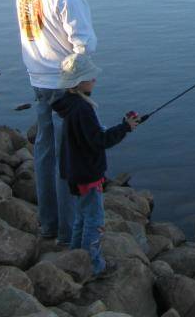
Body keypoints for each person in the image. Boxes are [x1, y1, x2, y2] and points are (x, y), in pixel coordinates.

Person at [16, 0, 97, 244]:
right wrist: (85, 78)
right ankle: (67, 233)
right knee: (68, 158)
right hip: (64, 85)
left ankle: (48, 224)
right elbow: (84, 43)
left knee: (45, 153)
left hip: (37, 79)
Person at [52, 52, 138, 276]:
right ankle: (94, 265)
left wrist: (121, 126)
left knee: (81, 217)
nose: (95, 80)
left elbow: (90, 136)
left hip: (75, 173)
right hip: (87, 175)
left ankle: (76, 256)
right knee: (95, 220)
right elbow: (100, 141)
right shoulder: (83, 109)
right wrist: (125, 128)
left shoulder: (70, 105)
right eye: (91, 77)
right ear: (79, 82)